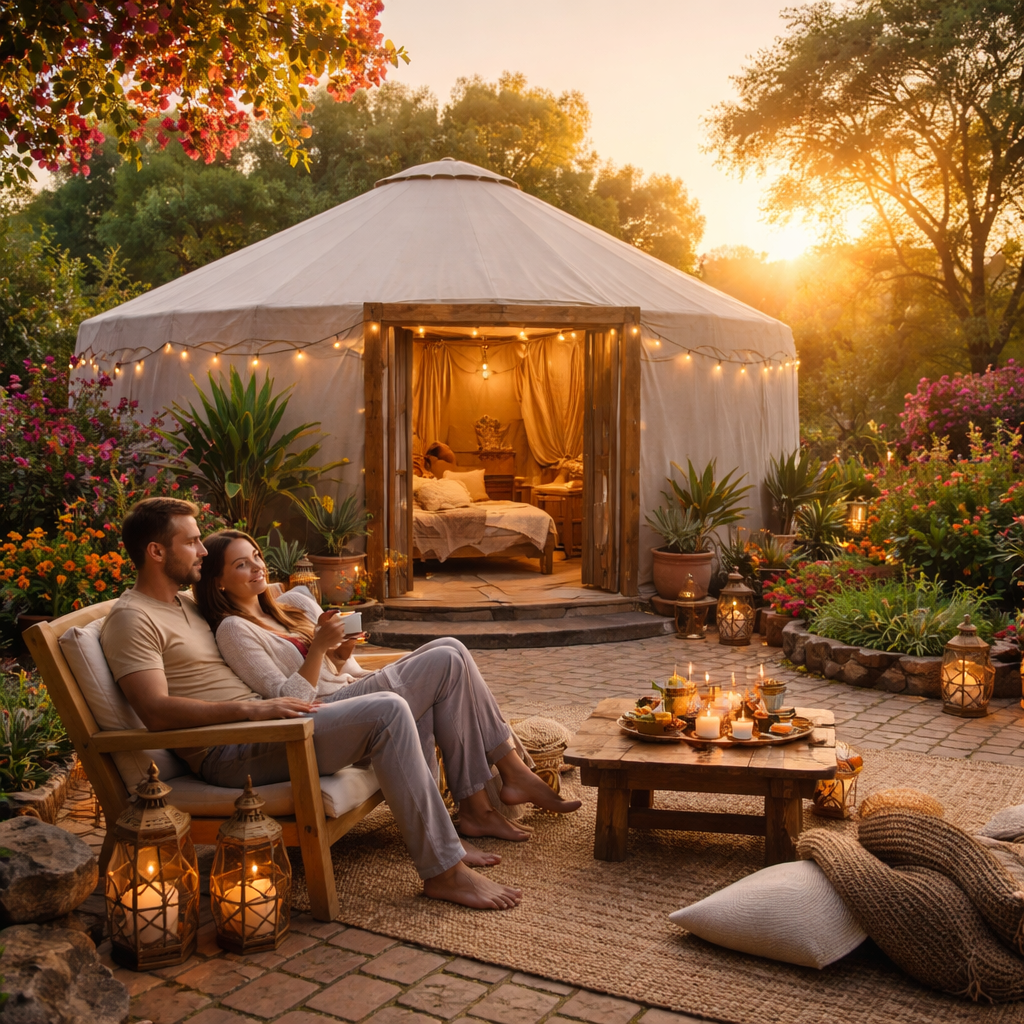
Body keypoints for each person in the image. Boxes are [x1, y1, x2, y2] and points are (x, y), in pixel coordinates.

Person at [98, 498, 572, 911]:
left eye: (203, 542)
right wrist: (255, 709)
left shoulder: (185, 602)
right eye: (192, 542)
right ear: (156, 552)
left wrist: (313, 646)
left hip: (275, 725)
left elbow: (252, 615)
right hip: (232, 750)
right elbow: (156, 711)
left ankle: (474, 813)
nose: (203, 550)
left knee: (426, 672)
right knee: (389, 705)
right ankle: (445, 870)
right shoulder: (132, 618)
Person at [191, 528, 579, 848]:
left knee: (452, 648)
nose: (257, 567)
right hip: (327, 713)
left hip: (345, 691)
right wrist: (321, 647)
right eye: (241, 564)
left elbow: (330, 671)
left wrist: (340, 654)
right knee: (445, 660)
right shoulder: (234, 630)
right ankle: (508, 775)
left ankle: (479, 809)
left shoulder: (285, 609)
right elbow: (288, 699)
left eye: (257, 556)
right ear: (219, 582)